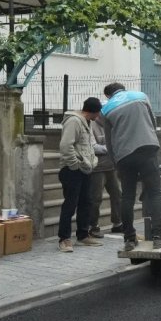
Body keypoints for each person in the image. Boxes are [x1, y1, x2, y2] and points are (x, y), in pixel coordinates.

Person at [101, 82, 161, 252]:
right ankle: (159, 237)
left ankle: (129, 239)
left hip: (124, 156)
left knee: (127, 196)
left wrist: (116, 164)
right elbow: (151, 123)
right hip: (147, 148)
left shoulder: (106, 110)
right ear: (123, 89)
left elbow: (109, 141)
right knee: (155, 193)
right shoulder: (141, 96)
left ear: (108, 96)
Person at [57, 97, 104, 252]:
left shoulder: (87, 123)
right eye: (98, 113)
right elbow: (65, 145)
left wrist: (92, 161)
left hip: (85, 169)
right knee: (70, 204)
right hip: (72, 170)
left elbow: (88, 146)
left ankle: (83, 235)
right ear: (94, 112)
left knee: (86, 202)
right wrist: (74, 165)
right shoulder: (74, 121)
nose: (98, 116)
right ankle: (64, 239)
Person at [87, 112, 123, 238]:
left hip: (111, 166)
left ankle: (117, 223)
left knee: (117, 194)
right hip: (97, 168)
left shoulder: (112, 125)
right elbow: (93, 147)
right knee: (96, 197)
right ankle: (93, 226)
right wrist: (110, 147)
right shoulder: (91, 125)